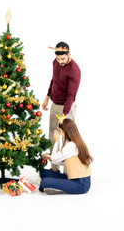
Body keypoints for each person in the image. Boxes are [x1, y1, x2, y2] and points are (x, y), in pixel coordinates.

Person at [42, 41, 81, 171]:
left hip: (67, 107)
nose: (60, 61)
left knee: (67, 141)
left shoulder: (74, 70)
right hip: (55, 104)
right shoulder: (55, 62)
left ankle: (67, 172)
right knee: (53, 138)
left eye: (63, 58)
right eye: (58, 58)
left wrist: (63, 115)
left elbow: (71, 95)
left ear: (69, 54)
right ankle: (54, 170)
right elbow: (53, 80)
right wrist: (47, 98)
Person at [39, 118, 93, 194]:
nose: (60, 134)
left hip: (81, 184)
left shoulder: (72, 145)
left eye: (60, 131)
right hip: (73, 177)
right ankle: (57, 185)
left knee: (44, 181)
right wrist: (51, 159)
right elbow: (67, 162)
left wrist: (57, 141)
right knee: (44, 172)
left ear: (66, 131)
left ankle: (48, 186)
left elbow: (55, 157)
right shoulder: (73, 142)